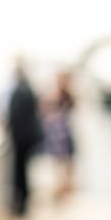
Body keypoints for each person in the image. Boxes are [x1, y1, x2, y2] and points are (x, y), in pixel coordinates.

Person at [5, 61, 43, 217]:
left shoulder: (19, 91)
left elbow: (15, 116)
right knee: (24, 171)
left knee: (19, 172)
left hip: (21, 139)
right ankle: (23, 203)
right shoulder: (30, 90)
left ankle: (20, 206)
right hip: (29, 138)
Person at [42, 70, 76, 201]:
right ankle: (60, 188)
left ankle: (63, 189)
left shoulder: (67, 96)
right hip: (57, 135)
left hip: (62, 135)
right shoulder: (55, 96)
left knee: (65, 163)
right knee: (59, 163)